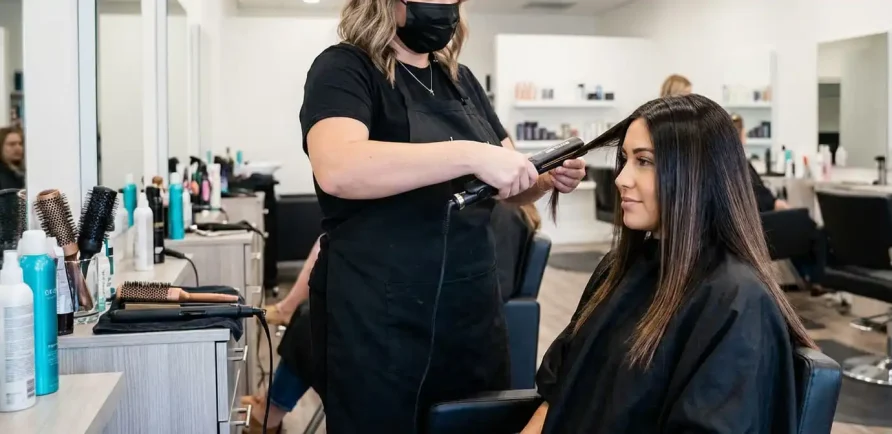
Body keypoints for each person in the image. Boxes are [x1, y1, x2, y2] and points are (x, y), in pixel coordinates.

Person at [300, 0, 588, 431]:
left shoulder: (461, 81)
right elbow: (339, 169)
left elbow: (510, 185)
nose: (445, 7)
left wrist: (545, 177)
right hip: (378, 317)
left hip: (470, 315)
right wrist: (468, 153)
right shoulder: (344, 69)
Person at [521, 94, 815, 434]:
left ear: (695, 174)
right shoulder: (616, 269)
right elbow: (557, 390)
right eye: (625, 159)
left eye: (643, 161)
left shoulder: (736, 302)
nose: (621, 178)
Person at [241, 203, 545, 433]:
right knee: (319, 316)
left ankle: (269, 412)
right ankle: (271, 408)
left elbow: (489, 288)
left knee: (318, 322)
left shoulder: (497, 213)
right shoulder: (481, 208)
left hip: (450, 339)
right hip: (427, 324)